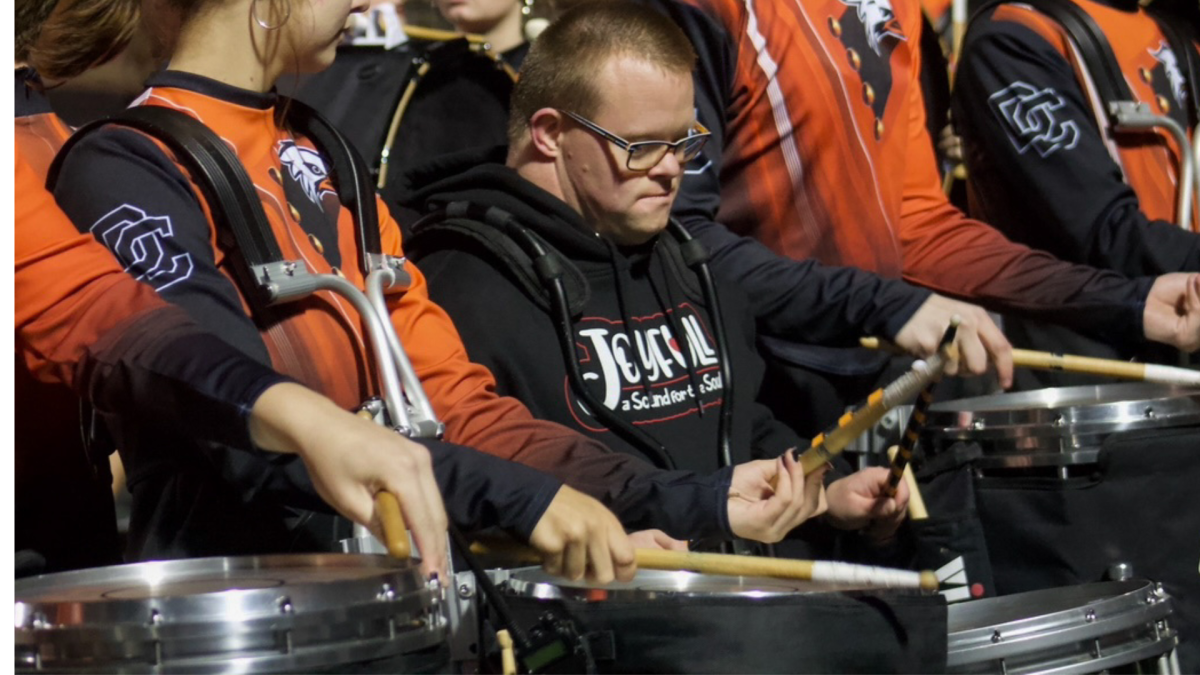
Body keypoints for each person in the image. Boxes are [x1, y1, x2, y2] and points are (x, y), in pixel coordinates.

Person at [43, 0, 823, 565]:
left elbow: (455, 406)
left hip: (397, 612)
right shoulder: (129, 165)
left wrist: (681, 496)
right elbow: (245, 433)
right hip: (251, 618)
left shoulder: (323, 150)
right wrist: (527, 506)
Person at [407, 1, 909, 546]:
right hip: (606, 612)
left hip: (734, 600)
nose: (672, 169)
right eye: (643, 147)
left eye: (684, 143)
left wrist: (821, 492)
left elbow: (736, 420)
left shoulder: (680, 253)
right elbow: (488, 483)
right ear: (550, 133)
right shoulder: (461, 281)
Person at [624, 0, 1200, 433]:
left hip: (882, 391)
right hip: (743, 400)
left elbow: (919, 225)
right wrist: (884, 304)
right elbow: (674, 237)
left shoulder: (904, 12)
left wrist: (1125, 301)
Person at [951, 0, 1200, 385]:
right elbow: (1100, 229)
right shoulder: (1014, 36)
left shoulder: (1174, 30)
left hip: (1183, 340)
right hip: (1085, 369)